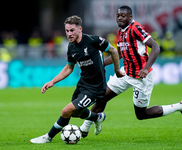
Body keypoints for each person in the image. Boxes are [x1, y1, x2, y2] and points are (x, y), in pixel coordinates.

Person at [79, 5, 182, 138]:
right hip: (126, 72)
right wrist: (101, 64)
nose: (120, 18)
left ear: (130, 17)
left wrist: (145, 68)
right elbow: (119, 54)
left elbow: (155, 47)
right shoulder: (121, 31)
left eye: (123, 15)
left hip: (142, 77)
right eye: (118, 16)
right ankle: (84, 128)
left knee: (141, 115)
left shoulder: (136, 28)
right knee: (102, 97)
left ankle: (178, 106)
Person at [30, 15, 124, 143]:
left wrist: (117, 70)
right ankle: (97, 117)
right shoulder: (71, 47)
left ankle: (48, 137)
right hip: (83, 84)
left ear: (80, 29)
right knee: (73, 113)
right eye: (67, 31)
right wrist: (52, 82)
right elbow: (69, 68)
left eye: (72, 30)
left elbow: (114, 51)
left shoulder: (93, 40)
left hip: (96, 87)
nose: (69, 34)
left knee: (66, 110)